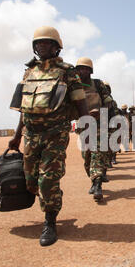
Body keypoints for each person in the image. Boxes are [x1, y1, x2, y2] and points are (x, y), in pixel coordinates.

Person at [8, 26, 89, 247]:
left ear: (56, 47)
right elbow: (25, 109)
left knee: (47, 180)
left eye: (46, 43)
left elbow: (80, 101)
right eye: (38, 43)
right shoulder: (29, 72)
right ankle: (49, 200)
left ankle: (50, 220)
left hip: (56, 134)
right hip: (31, 136)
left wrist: (86, 125)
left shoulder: (67, 71)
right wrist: (17, 136)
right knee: (31, 181)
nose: (41, 46)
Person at [75, 57, 113, 203]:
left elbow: (108, 102)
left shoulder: (98, 84)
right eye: (79, 69)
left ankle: (98, 185)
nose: (82, 71)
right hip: (83, 126)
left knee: (97, 153)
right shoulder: (74, 86)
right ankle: (93, 180)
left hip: (99, 125)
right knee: (87, 157)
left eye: (85, 69)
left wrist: (100, 111)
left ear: (90, 71)